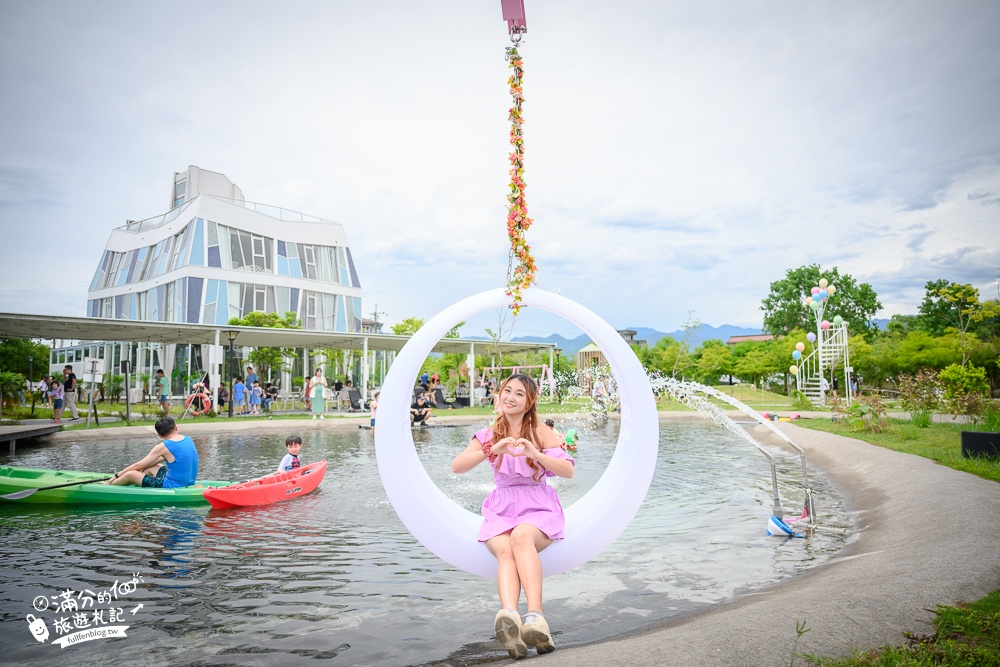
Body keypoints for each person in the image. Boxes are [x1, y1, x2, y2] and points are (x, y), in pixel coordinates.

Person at [451, 374, 574, 659]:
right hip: (501, 507)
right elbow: (457, 467)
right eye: (507, 391)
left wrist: (536, 453)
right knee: (504, 548)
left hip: (538, 504)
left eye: (520, 393)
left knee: (520, 537)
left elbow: (567, 471)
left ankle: (535, 618)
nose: (511, 397)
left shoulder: (542, 432)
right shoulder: (487, 434)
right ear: (498, 395)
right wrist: (491, 450)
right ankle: (510, 619)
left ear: (530, 401)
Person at [103, 417, 198, 488]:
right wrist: (142, 468)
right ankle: (138, 484)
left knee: (131, 474)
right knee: (152, 466)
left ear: (159, 435)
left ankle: (110, 485)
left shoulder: (163, 447)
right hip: (189, 481)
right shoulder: (188, 439)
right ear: (176, 428)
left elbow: (137, 466)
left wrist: (117, 475)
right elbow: (157, 461)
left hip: (173, 485)